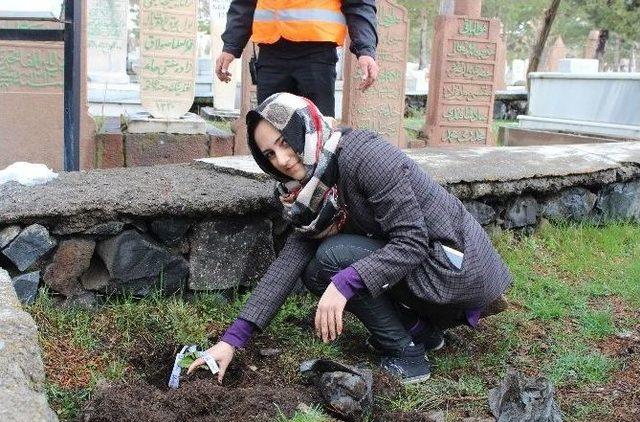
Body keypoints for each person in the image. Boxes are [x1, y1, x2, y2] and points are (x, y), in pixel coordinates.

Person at [188, 93, 513, 384]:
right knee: (317, 269)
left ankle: (408, 356)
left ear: (306, 126)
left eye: (285, 142)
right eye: (270, 154)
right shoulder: (307, 194)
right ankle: (419, 332)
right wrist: (232, 340)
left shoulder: (366, 157)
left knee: (333, 258)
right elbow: (287, 263)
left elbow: (412, 242)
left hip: (455, 269)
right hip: (427, 269)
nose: (283, 160)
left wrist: (345, 283)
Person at [215, 0, 379, 117]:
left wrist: (365, 50)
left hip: (316, 52)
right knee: (269, 128)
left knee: (317, 129)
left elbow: (359, 4)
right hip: (271, 51)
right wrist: (231, 46)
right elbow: (244, 4)